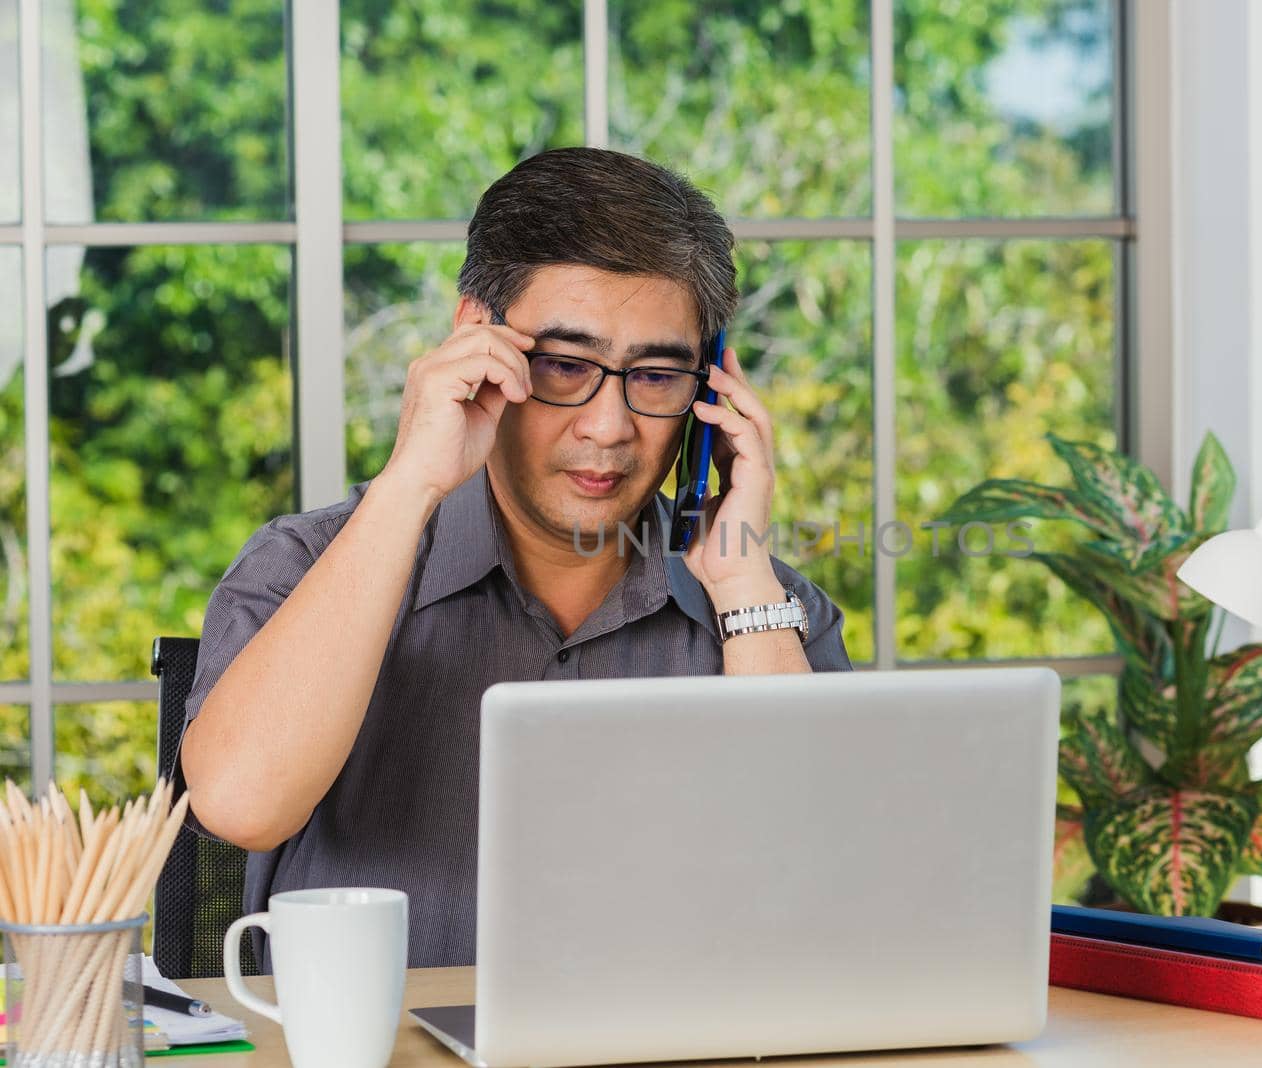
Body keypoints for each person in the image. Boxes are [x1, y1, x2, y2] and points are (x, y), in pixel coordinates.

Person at [178, 147, 851, 969]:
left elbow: (827, 892)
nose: (608, 427)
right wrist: (413, 480)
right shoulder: (305, 561)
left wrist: (743, 580)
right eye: (565, 366)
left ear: (710, 395)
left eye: (658, 375)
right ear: (477, 343)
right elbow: (243, 805)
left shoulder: (769, 615)